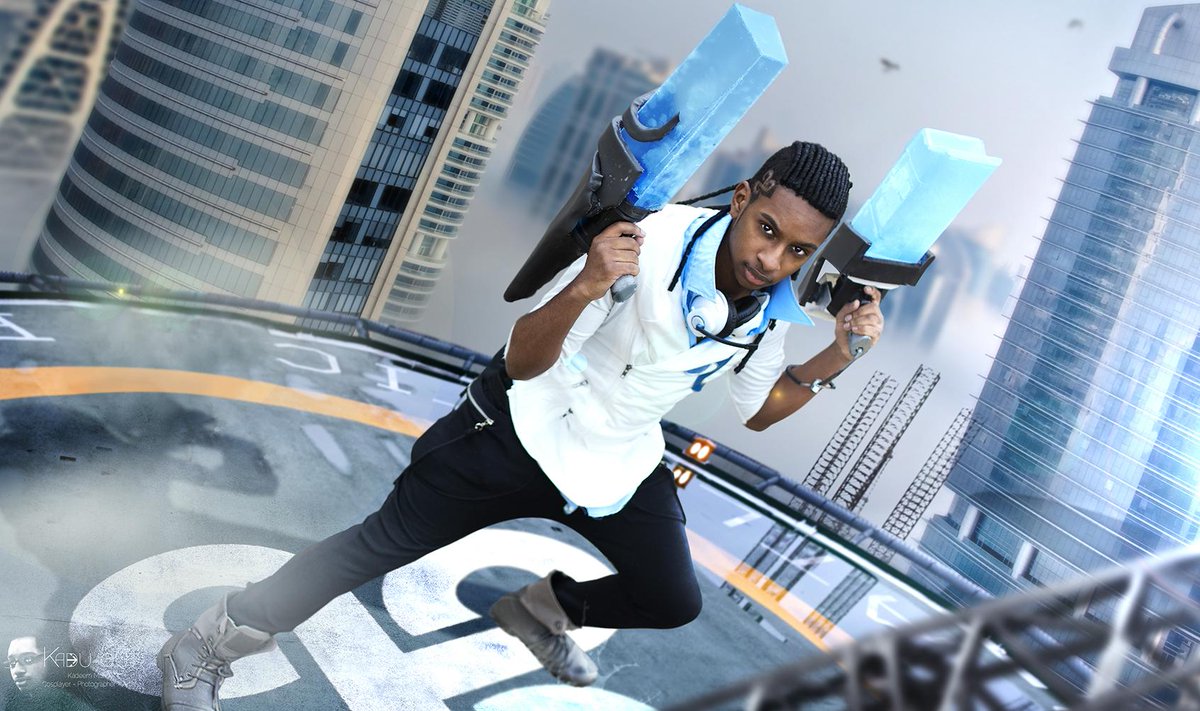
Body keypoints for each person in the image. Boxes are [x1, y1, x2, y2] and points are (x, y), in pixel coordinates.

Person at [157, 141, 884, 709]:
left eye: (797, 250)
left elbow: (760, 409)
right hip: (518, 425)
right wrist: (591, 283)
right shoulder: (646, 241)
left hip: (616, 458)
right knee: (377, 546)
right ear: (742, 197)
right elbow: (527, 359)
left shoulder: (770, 313)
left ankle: (539, 611)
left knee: (673, 597)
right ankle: (204, 644)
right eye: (766, 230)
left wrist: (840, 353)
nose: (771, 259)